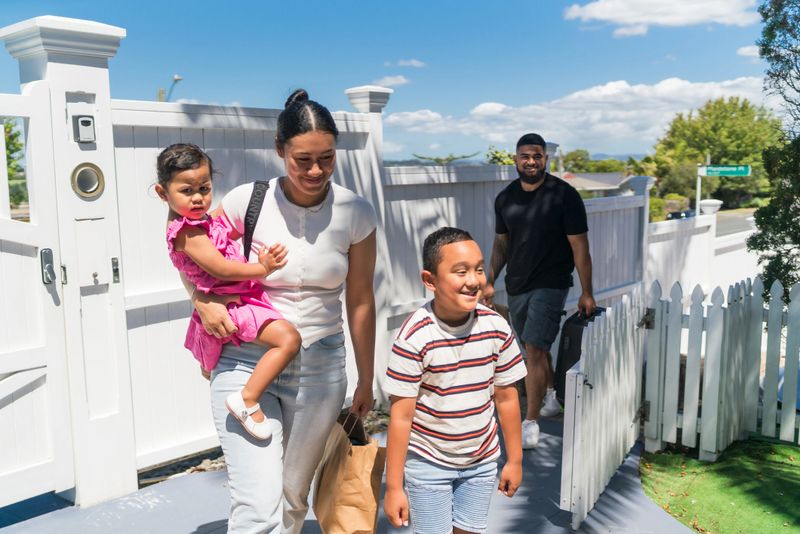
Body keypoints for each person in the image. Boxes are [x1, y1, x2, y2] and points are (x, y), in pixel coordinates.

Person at [188, 89, 377, 533]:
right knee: (257, 505)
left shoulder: (355, 212)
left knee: (292, 499)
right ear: (279, 150)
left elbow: (362, 298)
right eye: (302, 160)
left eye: (326, 159)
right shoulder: (245, 202)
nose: (315, 171)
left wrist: (366, 378)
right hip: (246, 361)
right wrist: (201, 299)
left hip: (321, 368)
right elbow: (190, 247)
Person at [383, 227, 527, 534]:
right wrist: (395, 487)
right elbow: (401, 416)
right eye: (460, 271)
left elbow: (506, 397)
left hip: (482, 459)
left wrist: (514, 459)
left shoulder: (496, 328)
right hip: (428, 461)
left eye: (478, 269)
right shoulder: (414, 337)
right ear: (429, 280)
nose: (473, 280)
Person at [156, 143, 301, 441]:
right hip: (233, 303)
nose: (198, 198)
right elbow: (221, 268)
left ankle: (214, 369)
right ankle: (247, 399)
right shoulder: (188, 232)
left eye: (205, 188)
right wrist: (263, 268)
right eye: (187, 191)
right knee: (288, 340)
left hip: (235, 297)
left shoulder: (199, 222)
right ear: (163, 193)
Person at [483, 132, 596, 449]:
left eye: (537, 156)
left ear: (545, 158)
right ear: (516, 159)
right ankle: (548, 394)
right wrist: (490, 279)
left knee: (532, 348)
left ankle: (530, 421)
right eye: (524, 156)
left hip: (552, 283)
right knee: (535, 347)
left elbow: (580, 248)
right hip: (516, 284)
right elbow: (501, 244)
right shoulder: (505, 198)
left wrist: (587, 291)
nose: (531, 161)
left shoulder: (564, 196)